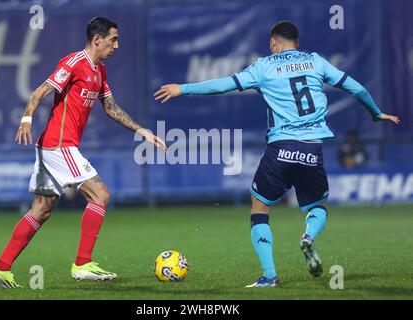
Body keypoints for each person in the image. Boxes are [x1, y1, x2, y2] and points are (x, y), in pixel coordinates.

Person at [154, 20, 400, 288]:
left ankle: (270, 276)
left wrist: (183, 88)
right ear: (297, 42)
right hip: (312, 148)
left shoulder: (264, 67)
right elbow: (356, 88)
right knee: (318, 206)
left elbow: (224, 85)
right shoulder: (316, 62)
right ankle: (308, 236)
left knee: (259, 209)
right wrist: (376, 113)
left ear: (273, 42)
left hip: (280, 148)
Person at [0, 17, 167, 288]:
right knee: (101, 195)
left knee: (41, 210)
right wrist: (26, 119)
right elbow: (40, 92)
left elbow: (111, 107)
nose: (116, 45)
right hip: (60, 146)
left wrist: (141, 131)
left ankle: (0, 268)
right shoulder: (74, 63)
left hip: (51, 147)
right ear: (97, 39)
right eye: (113, 40)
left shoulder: (99, 71)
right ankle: (82, 263)